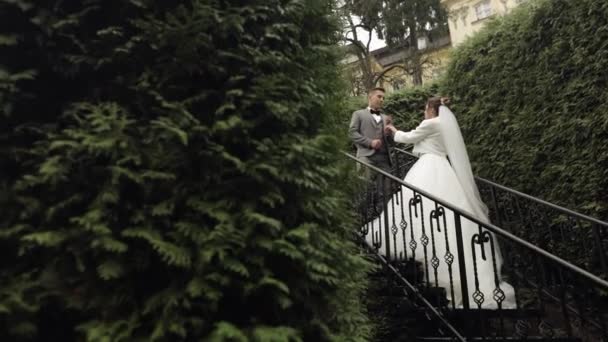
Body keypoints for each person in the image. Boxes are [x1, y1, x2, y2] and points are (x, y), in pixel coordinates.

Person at [366, 96, 516, 309]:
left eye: (425, 108)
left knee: (418, 207)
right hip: (445, 169)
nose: (423, 112)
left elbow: (407, 138)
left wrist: (392, 129)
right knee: (445, 212)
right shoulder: (445, 125)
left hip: (428, 167)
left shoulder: (431, 123)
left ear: (431, 109)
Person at [349, 87, 393, 213]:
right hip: (366, 157)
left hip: (384, 159)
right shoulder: (358, 114)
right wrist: (370, 142)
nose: (382, 99)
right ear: (370, 97)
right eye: (379, 96)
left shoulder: (386, 117)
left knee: (385, 191)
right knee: (365, 190)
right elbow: (352, 133)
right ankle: (362, 223)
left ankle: (386, 221)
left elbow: (392, 142)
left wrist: (389, 134)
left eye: (383, 97)